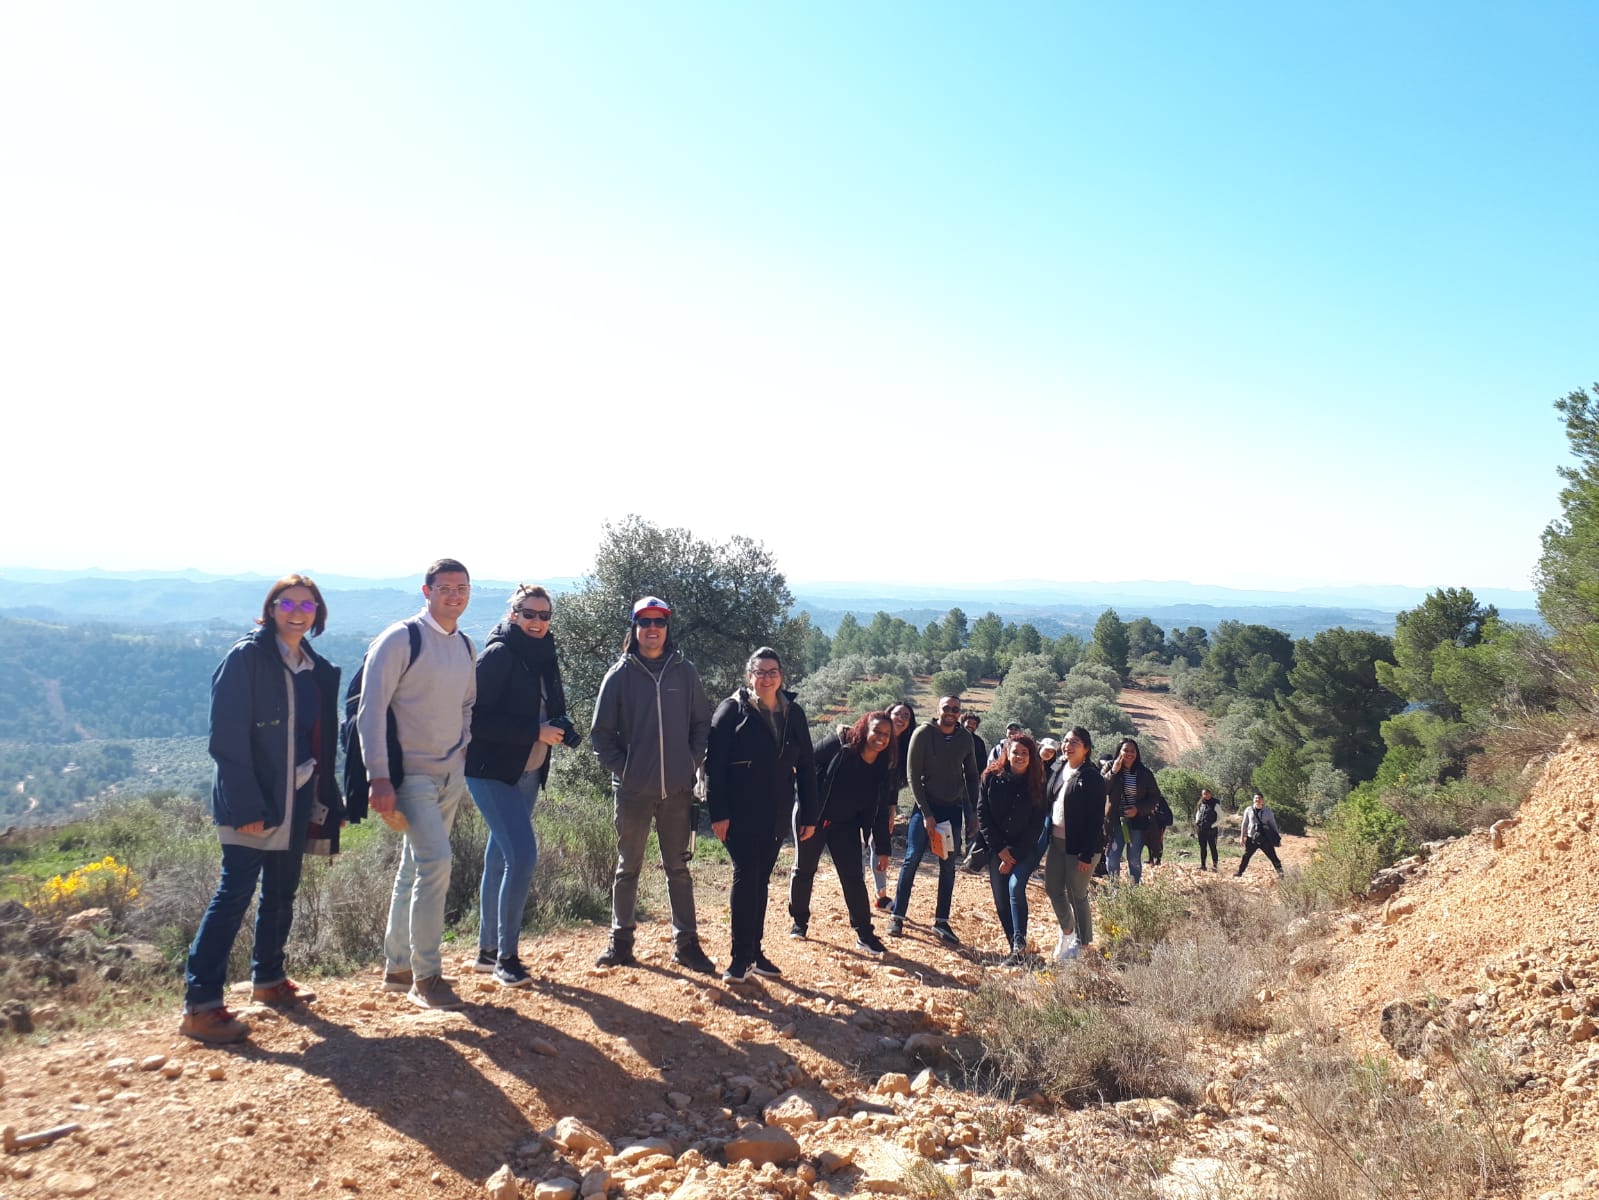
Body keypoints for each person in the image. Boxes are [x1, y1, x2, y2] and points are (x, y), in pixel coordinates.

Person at [181, 575, 343, 1043]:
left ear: (318, 612)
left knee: (282, 889)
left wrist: (323, 796)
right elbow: (225, 740)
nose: (297, 611)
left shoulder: (314, 666)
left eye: (307, 604)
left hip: (295, 796)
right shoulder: (246, 658)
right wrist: (246, 804)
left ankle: (269, 980)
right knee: (234, 894)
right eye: (287, 602)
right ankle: (201, 1005)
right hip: (252, 800)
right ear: (270, 608)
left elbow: (316, 738)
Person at [359, 558, 478, 1010]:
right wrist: (379, 777)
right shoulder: (399, 639)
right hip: (409, 776)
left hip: (451, 773)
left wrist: (463, 745)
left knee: (415, 866)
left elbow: (468, 703)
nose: (454, 595)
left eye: (461, 588)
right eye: (445, 587)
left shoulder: (465, 646)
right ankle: (427, 978)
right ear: (426, 591)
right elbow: (371, 712)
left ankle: (398, 967)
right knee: (436, 863)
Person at [590, 596, 717, 973]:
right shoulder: (619, 675)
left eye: (659, 622)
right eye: (644, 622)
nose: (652, 628)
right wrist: (627, 771)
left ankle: (687, 944)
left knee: (678, 869)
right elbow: (601, 736)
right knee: (627, 867)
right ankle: (621, 941)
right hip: (632, 792)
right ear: (635, 627)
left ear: (667, 627)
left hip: (677, 791)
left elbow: (701, 723)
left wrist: (688, 762)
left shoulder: (684, 672)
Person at [464, 585, 581, 988]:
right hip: (489, 771)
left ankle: (486, 952)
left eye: (543, 615)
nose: (536, 622)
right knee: (523, 855)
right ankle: (507, 958)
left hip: (528, 770)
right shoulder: (498, 655)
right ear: (513, 614)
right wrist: (536, 730)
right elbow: (475, 721)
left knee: (499, 857)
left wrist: (562, 729)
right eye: (528, 614)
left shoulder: (545, 655)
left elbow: (552, 708)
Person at [706, 648, 818, 982]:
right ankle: (739, 959)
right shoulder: (730, 710)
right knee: (746, 876)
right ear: (749, 675)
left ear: (781, 675)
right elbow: (714, 767)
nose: (767, 677)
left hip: (777, 812)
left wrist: (809, 813)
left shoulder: (792, 713)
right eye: (760, 671)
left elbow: (807, 766)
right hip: (739, 813)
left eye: (773, 671)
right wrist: (718, 813)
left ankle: (755, 953)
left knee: (761, 881)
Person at [789, 711, 896, 957]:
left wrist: (883, 847)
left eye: (886, 735)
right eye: (876, 731)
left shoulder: (882, 767)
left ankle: (865, 935)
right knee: (804, 870)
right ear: (864, 729)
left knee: (853, 878)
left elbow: (879, 810)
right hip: (813, 819)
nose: (880, 738)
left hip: (846, 825)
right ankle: (799, 922)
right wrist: (807, 814)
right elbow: (805, 766)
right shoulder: (840, 744)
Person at [889, 696, 980, 945]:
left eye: (955, 709)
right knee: (912, 858)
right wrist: (926, 813)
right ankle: (897, 915)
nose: (951, 712)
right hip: (925, 809)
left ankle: (941, 921)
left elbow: (971, 776)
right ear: (938, 710)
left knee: (948, 866)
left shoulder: (965, 739)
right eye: (946, 708)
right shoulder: (923, 734)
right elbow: (912, 775)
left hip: (952, 810)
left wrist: (973, 814)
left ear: (959, 713)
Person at [976, 733, 1048, 965]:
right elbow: (982, 815)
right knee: (1000, 900)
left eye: (1024, 753)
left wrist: (1013, 855)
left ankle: (1019, 945)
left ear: (1031, 757)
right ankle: (1015, 950)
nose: (1019, 757)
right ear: (1007, 752)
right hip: (997, 849)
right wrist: (1000, 851)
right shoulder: (990, 777)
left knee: (1015, 888)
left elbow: (1037, 825)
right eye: (1015, 752)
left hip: (1024, 850)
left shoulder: (1037, 783)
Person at [1043, 727, 1107, 960]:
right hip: (1057, 842)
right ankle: (1068, 931)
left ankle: (1083, 944)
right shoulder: (1060, 768)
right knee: (1052, 888)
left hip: (1082, 847)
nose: (1068, 745)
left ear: (1086, 748)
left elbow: (1096, 819)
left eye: (1075, 742)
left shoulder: (1092, 777)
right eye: (1066, 741)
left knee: (1077, 894)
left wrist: (1086, 855)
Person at [869, 700, 916, 911]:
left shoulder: (904, 747)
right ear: (889, 714)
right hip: (861, 797)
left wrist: (892, 808)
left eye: (906, 716)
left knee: (878, 845)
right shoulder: (873, 738)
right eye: (899, 714)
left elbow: (894, 782)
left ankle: (881, 895)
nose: (902, 719)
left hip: (883, 802)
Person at [1100, 738, 1164, 885]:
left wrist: (1138, 809)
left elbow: (1155, 797)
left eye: (1132, 751)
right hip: (1115, 821)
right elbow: (1101, 789)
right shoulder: (1110, 767)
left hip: (1137, 822)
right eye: (1125, 750)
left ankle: (1133, 890)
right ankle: (1114, 888)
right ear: (1119, 752)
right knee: (1113, 855)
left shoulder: (1144, 773)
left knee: (1134, 857)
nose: (1129, 754)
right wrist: (1114, 772)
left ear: (1137, 753)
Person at [1237, 791, 1284, 877]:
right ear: (1253, 800)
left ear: (1263, 800)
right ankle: (1239, 872)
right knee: (1246, 856)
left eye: (1259, 798)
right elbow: (1244, 823)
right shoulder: (1248, 810)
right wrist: (1242, 837)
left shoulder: (1268, 811)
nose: (1257, 800)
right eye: (1256, 798)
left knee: (1273, 857)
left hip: (1265, 839)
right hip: (1251, 838)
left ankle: (1281, 874)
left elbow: (1273, 825)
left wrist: (1278, 839)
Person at [1194, 787, 1221, 871]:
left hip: (1211, 830)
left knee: (1213, 847)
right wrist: (1197, 822)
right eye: (1203, 794)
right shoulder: (1201, 803)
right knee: (1202, 847)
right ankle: (1203, 865)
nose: (1205, 795)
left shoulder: (1215, 804)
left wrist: (1213, 826)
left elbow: (1221, 817)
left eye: (1206, 793)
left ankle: (1215, 867)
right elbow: (1198, 814)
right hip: (1201, 829)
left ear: (1210, 794)